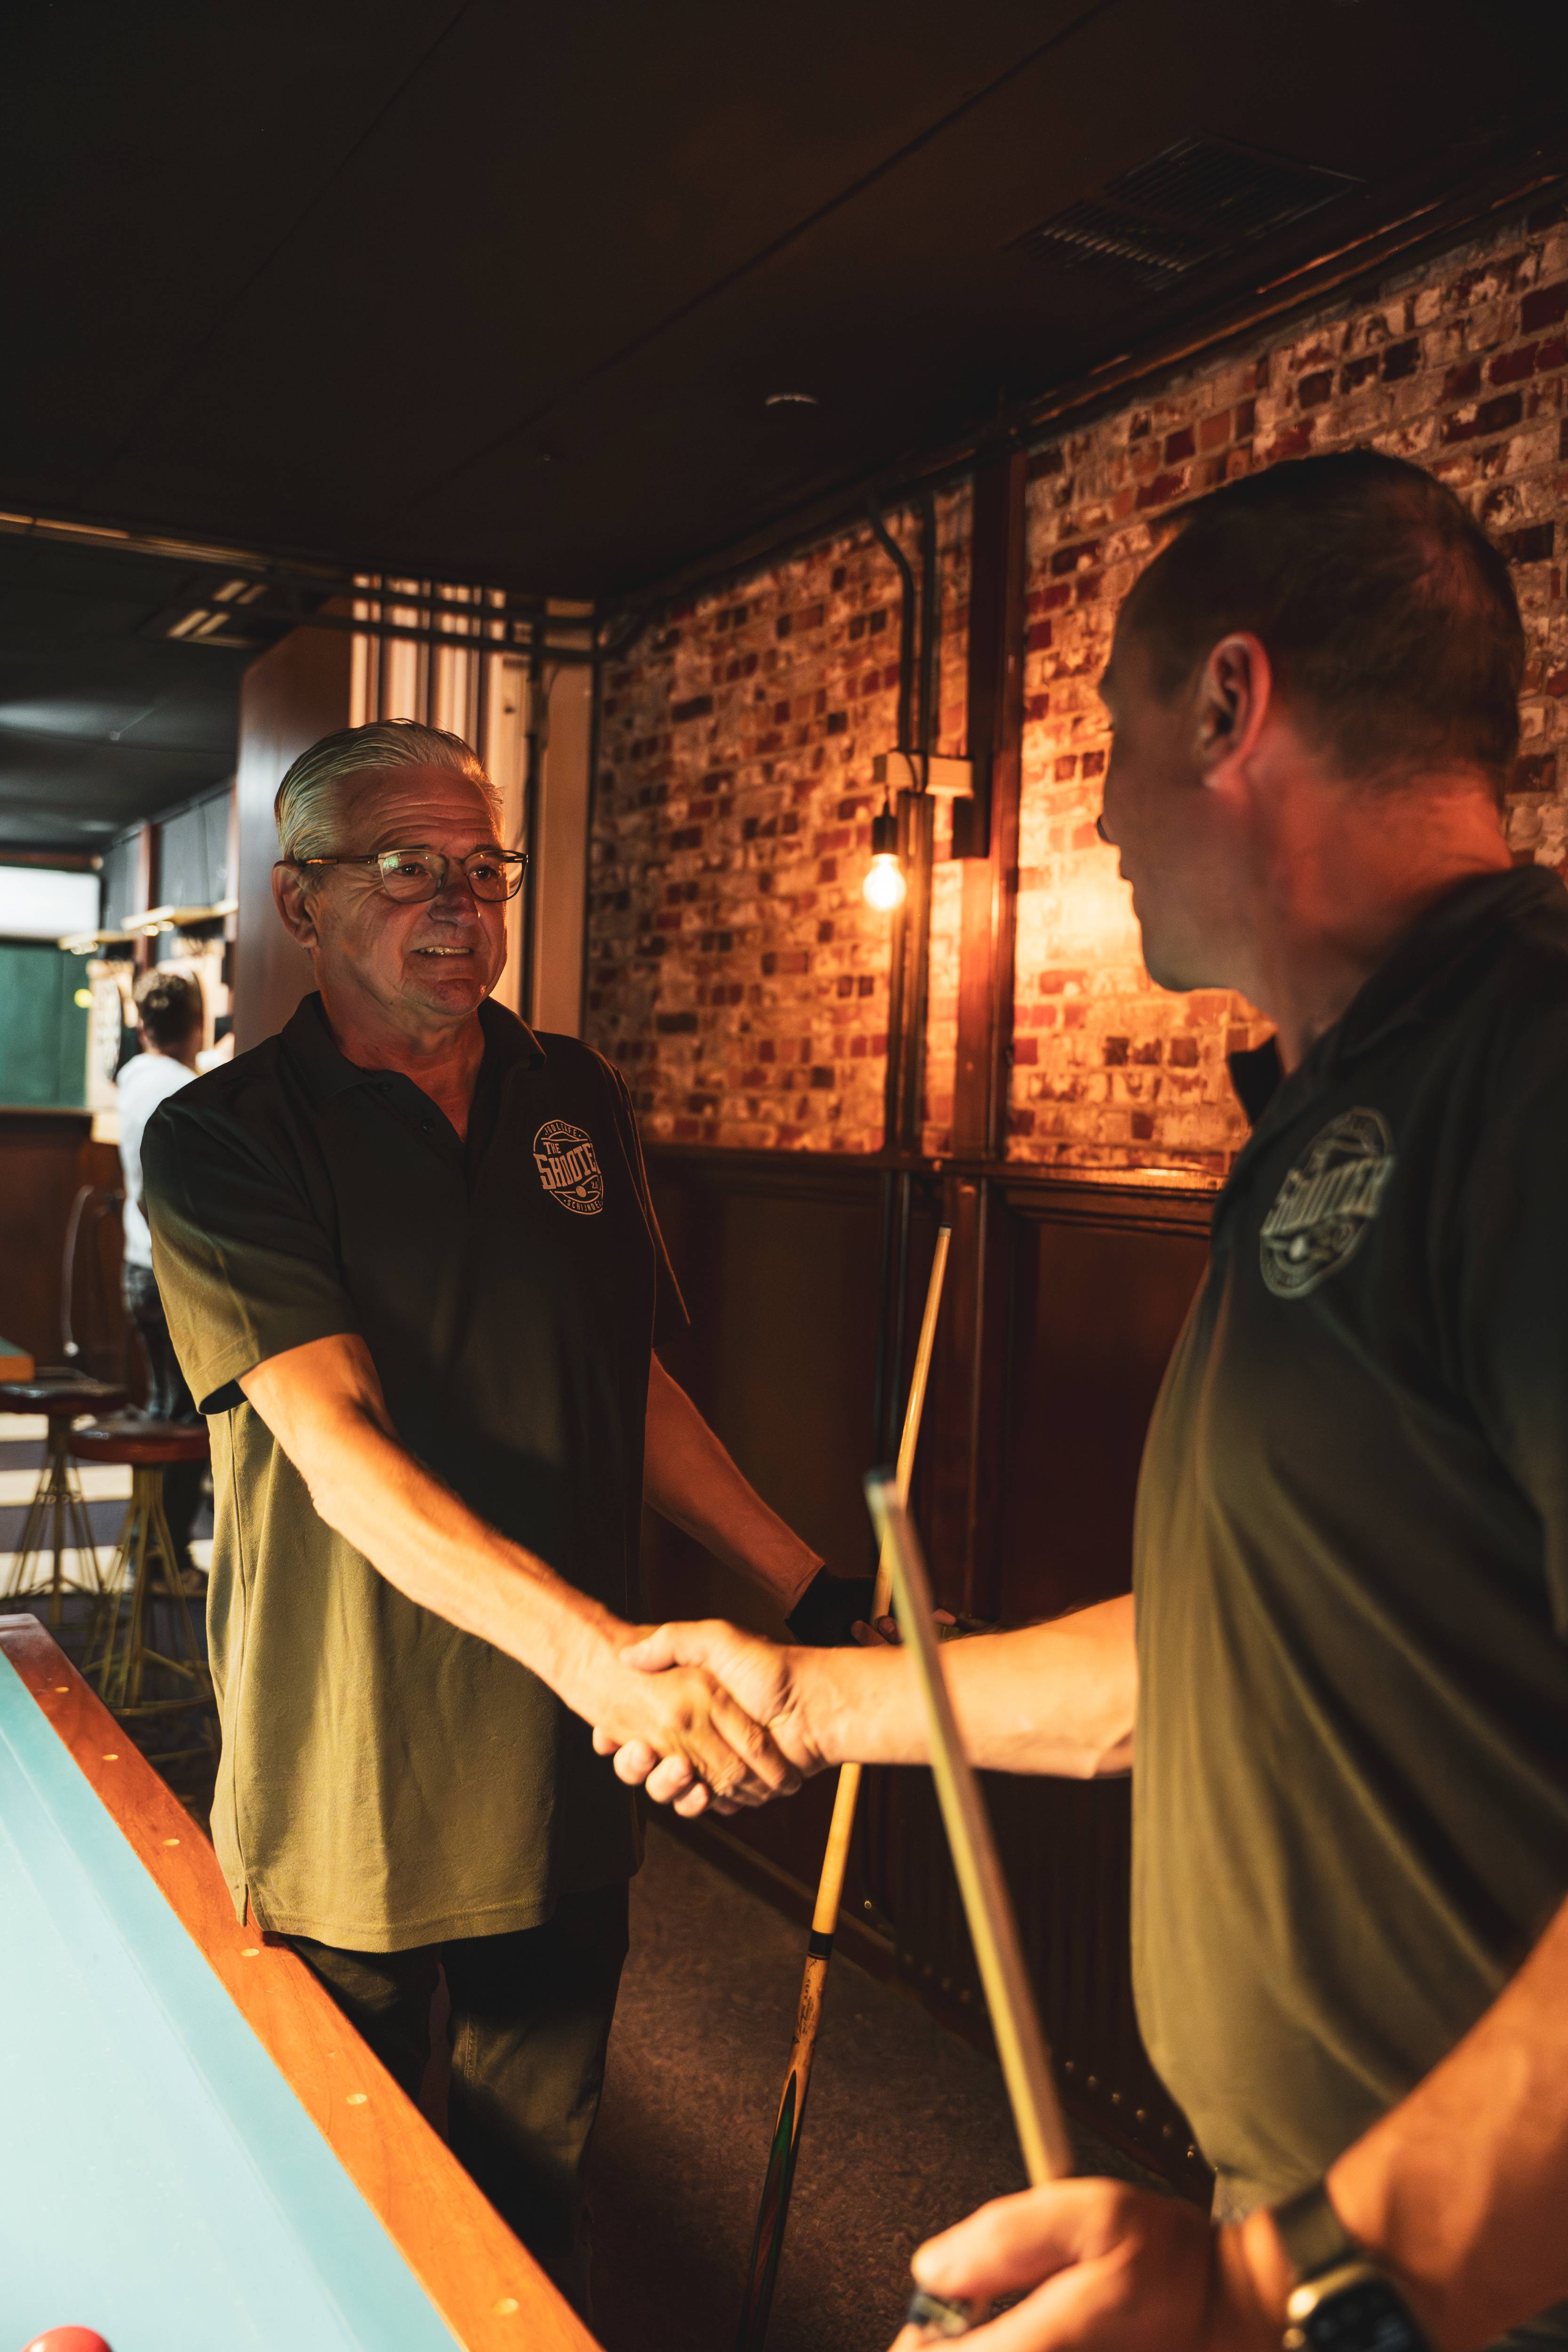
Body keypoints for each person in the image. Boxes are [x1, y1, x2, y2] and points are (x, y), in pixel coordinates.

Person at [600, 453, 1568, 2352]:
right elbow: (1224, 1657)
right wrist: (818, 1693)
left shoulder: (1528, 1081)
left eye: (1110, 736)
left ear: (1227, 699)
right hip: (1317, 2226)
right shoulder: (1322, 1111)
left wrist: (1285, 2285)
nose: (1101, 809)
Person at [140, 717, 868, 2309]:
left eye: (484, 868)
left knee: (537, 2205)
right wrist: (605, 1656)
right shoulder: (223, 1142)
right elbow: (337, 1450)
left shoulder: (574, 1095)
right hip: (355, 1768)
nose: (459, 904)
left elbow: (632, 1384)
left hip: (564, 1772)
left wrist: (807, 1589)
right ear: (301, 900)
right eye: (407, 867)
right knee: (336, 2205)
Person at [117, 966, 205, 1571]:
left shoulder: (132, 1079)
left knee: (162, 1406)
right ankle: (162, 1552)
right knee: (187, 1415)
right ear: (198, 1024)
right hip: (169, 1267)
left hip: (134, 1263)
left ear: (142, 1025)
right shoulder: (188, 1089)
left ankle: (144, 1540)